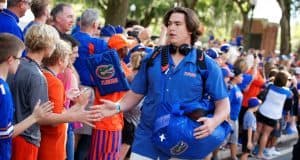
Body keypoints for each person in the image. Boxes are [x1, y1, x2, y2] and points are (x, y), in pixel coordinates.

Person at [95, 7, 230, 159]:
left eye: (178, 24)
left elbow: (223, 104)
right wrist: (118, 106)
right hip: (146, 139)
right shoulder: (152, 58)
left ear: (191, 29)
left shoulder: (206, 65)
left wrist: (213, 122)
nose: (171, 27)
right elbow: (136, 93)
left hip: (182, 142)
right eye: (170, 23)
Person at [7, 24, 102, 160]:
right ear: (47, 46)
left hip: (14, 135)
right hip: (26, 139)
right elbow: (43, 117)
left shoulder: (17, 64)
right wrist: (77, 113)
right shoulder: (36, 75)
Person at [0, 33, 53, 160]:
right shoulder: (3, 90)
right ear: (10, 60)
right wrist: (35, 117)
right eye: (19, 58)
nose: (21, 62)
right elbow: (5, 133)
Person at [253, 70, 293, 159]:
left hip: (262, 110)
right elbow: (288, 107)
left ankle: (250, 150)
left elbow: (263, 90)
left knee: (257, 130)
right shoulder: (288, 93)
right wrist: (287, 114)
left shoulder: (270, 86)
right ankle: (259, 154)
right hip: (274, 115)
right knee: (265, 134)